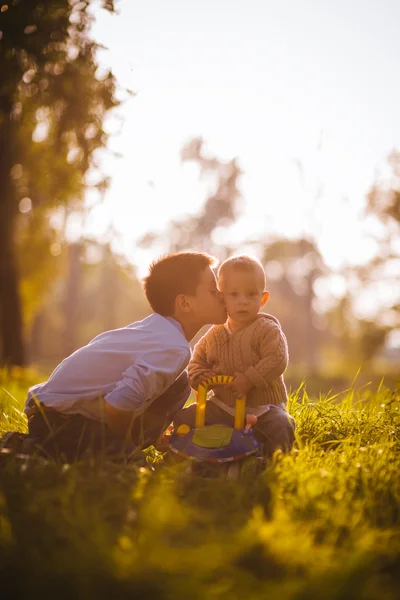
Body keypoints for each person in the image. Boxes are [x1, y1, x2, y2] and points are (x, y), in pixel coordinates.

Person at [3, 251, 227, 462]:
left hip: (55, 414)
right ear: (184, 303)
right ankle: (29, 447)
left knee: (180, 384)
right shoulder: (173, 347)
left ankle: (115, 447)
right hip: (63, 422)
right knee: (132, 465)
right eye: (212, 289)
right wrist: (126, 446)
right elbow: (118, 406)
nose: (221, 295)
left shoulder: (158, 331)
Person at [173, 255, 295, 457]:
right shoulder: (214, 334)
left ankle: (273, 459)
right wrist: (199, 376)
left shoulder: (267, 329)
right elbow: (196, 361)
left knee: (281, 424)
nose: (243, 302)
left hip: (263, 408)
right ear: (222, 298)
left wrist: (249, 379)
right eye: (234, 295)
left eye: (251, 295)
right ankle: (182, 454)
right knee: (185, 417)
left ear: (263, 299)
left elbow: (277, 359)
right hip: (223, 407)